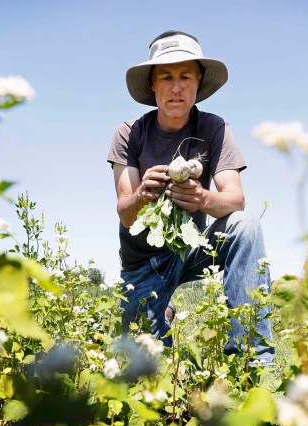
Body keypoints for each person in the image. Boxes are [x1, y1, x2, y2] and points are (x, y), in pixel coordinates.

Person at [107, 30, 274, 364]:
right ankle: (163, 309)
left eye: (185, 76)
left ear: (198, 81)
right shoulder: (129, 132)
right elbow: (126, 214)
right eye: (166, 77)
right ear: (152, 84)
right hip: (144, 264)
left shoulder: (214, 128)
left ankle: (253, 360)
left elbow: (236, 200)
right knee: (146, 365)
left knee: (245, 225)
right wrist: (142, 194)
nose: (176, 87)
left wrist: (201, 199)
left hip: (192, 248)